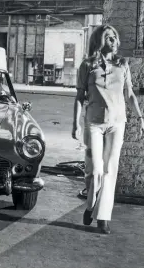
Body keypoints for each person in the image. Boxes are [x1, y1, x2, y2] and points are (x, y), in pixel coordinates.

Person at [72, 24, 144, 234]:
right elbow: (79, 97)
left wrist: (140, 117)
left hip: (117, 123)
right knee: (95, 170)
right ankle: (90, 204)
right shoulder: (87, 65)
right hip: (94, 123)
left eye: (114, 37)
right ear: (98, 41)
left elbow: (129, 94)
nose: (113, 41)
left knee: (110, 170)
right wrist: (75, 122)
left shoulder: (123, 64)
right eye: (108, 37)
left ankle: (103, 217)